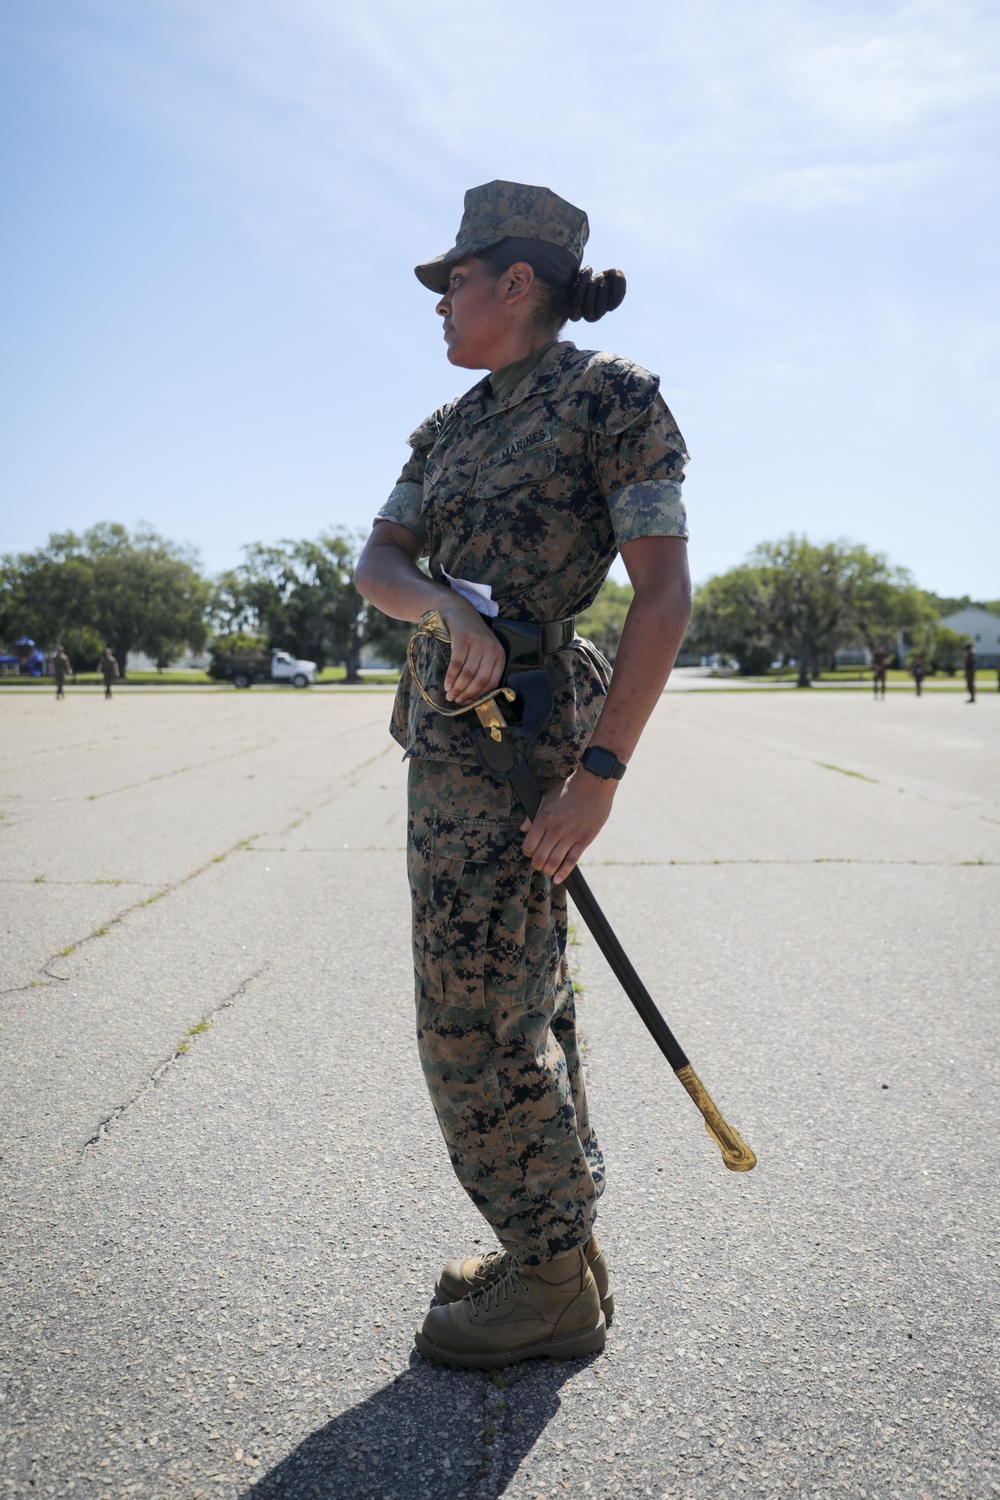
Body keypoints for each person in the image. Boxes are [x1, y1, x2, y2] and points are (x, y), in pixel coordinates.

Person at [354, 181, 692, 1369]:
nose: (440, 304)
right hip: (448, 741)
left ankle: (549, 1284)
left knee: (475, 1020)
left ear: (516, 282)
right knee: (524, 998)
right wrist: (444, 608)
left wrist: (598, 776)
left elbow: (664, 596)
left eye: (454, 279)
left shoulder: (610, 398)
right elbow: (378, 562)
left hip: (539, 741)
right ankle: (557, 1241)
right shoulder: (444, 430)